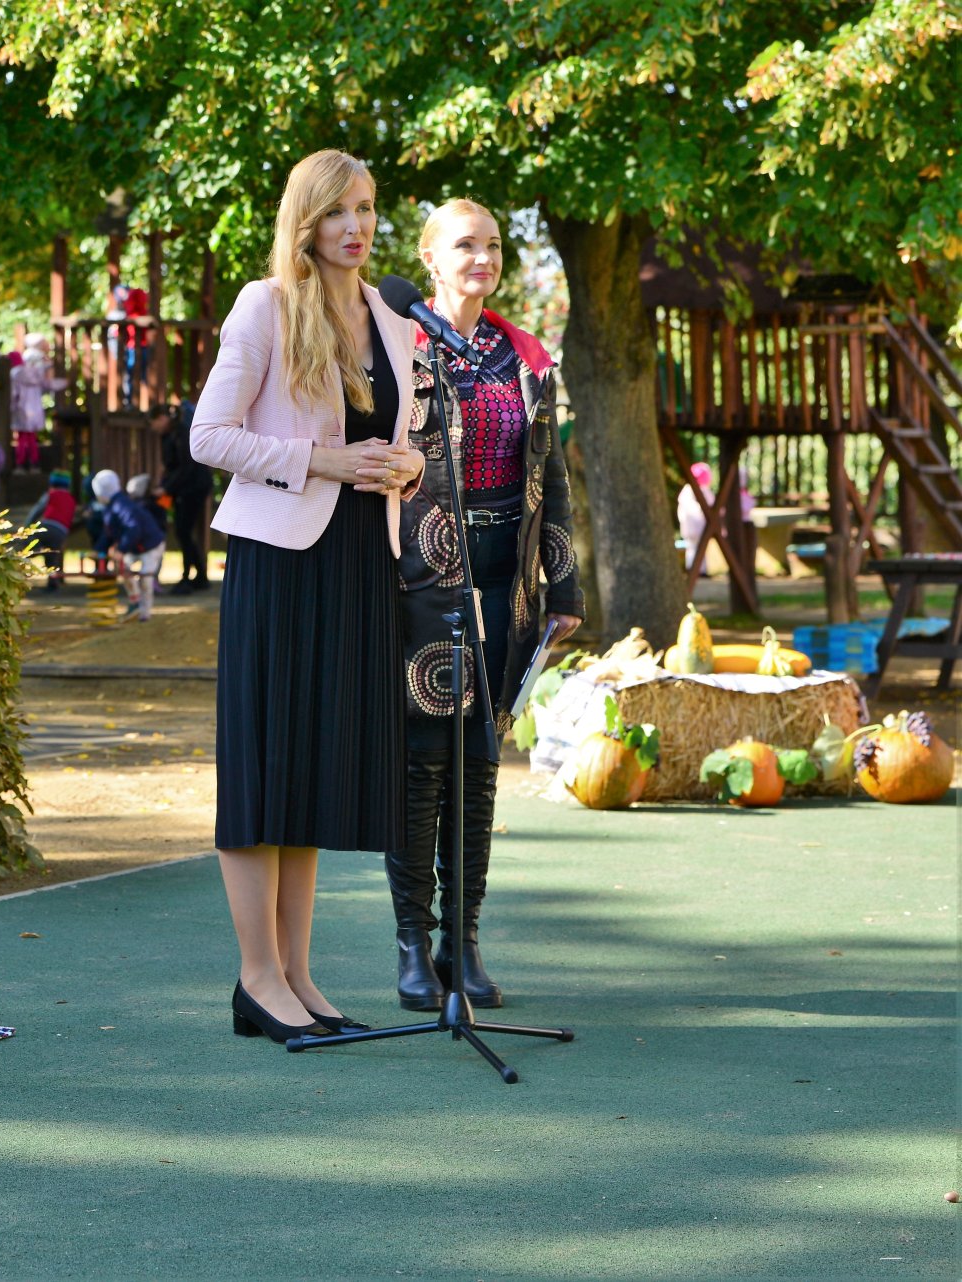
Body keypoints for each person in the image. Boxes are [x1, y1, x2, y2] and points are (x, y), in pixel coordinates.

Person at [190, 149, 425, 1043]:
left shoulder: (390, 319)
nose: (357, 228)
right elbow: (209, 435)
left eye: (366, 209)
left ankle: (298, 976)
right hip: (280, 560)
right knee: (265, 767)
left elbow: (394, 440)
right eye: (339, 212)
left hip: (361, 559)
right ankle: (257, 979)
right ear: (306, 221)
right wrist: (318, 461)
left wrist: (404, 466)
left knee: (314, 769)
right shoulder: (267, 305)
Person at [388, 198, 585, 1012]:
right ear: (431, 257)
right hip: (423, 576)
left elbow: (554, 469)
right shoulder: (399, 343)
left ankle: (461, 944)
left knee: (479, 770)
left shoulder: (523, 354)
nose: (483, 257)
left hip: (508, 583)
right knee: (423, 763)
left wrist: (563, 583)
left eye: (493, 245)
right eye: (465, 244)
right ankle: (410, 944)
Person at [91, 469, 168, 622]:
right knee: (123, 568)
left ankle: (145, 614)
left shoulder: (121, 505)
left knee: (145, 577)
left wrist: (121, 549)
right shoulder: (111, 507)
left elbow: (133, 528)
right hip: (135, 545)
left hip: (151, 544)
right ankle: (135, 602)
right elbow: (108, 533)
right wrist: (98, 550)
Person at [154, 399, 213, 592]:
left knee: (183, 531)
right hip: (176, 489)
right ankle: (198, 576)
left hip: (192, 487)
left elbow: (186, 467)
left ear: (162, 418)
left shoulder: (181, 432)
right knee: (181, 531)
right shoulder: (165, 436)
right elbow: (169, 465)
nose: (153, 427)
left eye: (154, 422)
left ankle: (190, 577)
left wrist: (166, 488)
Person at [10, 334, 68, 469]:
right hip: (33, 407)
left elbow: (14, 393)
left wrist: (12, 406)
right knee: (31, 438)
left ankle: (21, 462)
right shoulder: (39, 369)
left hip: (21, 408)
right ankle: (33, 462)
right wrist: (63, 383)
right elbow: (47, 384)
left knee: (23, 438)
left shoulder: (16, 374)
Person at [18, 470, 78, 591]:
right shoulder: (71, 499)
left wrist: (27, 527)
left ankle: (19, 573)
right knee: (51, 557)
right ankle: (52, 583)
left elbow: (37, 510)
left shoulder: (51, 494)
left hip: (47, 526)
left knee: (25, 547)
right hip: (61, 531)